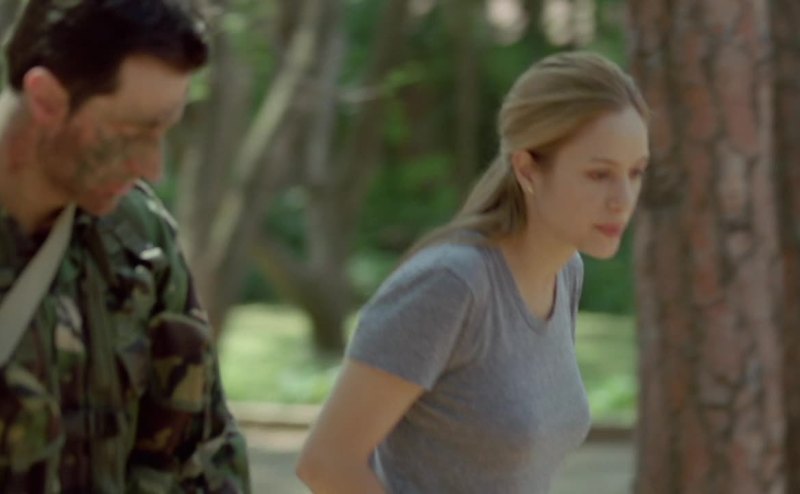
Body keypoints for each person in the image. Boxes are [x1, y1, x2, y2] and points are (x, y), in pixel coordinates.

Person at [296, 51, 650, 494]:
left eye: (636, 172)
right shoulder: (450, 285)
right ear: (528, 170)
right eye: (599, 175)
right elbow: (326, 463)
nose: (623, 199)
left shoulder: (566, 272)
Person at [0, 0, 250, 492]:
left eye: (164, 131)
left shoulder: (137, 235)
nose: (152, 167)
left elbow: (199, 455)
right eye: (131, 132)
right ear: (45, 99)